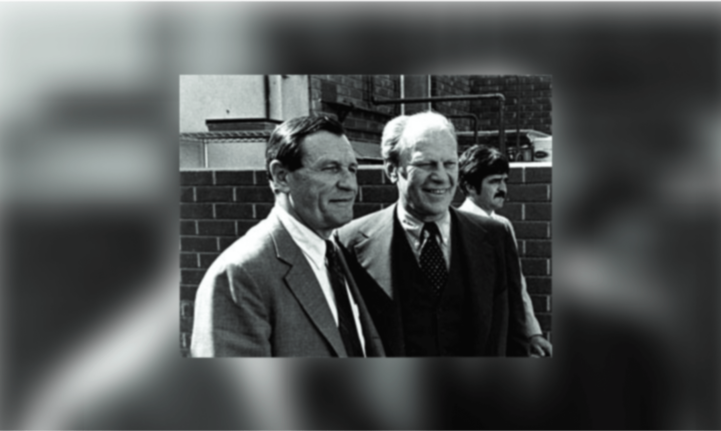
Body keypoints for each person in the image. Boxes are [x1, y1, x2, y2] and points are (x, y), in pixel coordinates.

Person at [336, 111, 530, 356]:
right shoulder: (350, 243)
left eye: (449, 164)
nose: (441, 177)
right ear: (393, 170)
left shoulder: (494, 235)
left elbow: (515, 335)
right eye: (426, 164)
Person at [190, 115, 385, 357]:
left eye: (352, 169)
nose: (349, 184)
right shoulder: (240, 274)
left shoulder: (336, 254)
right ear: (282, 177)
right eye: (331, 168)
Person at [457, 144, 553, 357]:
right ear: (470, 186)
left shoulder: (503, 226)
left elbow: (517, 286)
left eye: (504, 181)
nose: (503, 188)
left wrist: (533, 333)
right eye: (494, 182)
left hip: (506, 338)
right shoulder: (455, 225)